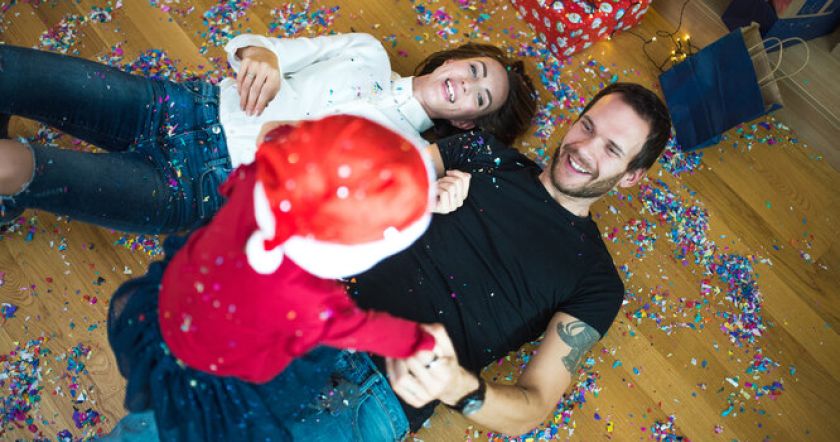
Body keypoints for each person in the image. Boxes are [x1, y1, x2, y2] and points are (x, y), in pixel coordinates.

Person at [110, 82, 671, 440]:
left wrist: (460, 388)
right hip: (305, 312)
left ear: (631, 176)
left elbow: (534, 406)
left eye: (611, 149)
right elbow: (344, 188)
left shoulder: (596, 280)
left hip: (380, 390)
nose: (584, 149)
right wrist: (420, 197)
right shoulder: (483, 153)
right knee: (154, 430)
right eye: (587, 126)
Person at [107, 115, 439, 441]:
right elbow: (365, 330)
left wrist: (289, 143)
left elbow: (274, 137)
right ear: (354, 253)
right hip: (211, 368)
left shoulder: (256, 181)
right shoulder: (311, 303)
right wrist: (420, 341)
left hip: (173, 305)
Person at [0, 33, 536, 233]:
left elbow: (324, 224)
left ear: (465, 122)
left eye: (479, 97)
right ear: (455, 59)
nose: (466, 84)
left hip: (198, 191)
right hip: (179, 105)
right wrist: (266, 58)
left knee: (12, 166)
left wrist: (430, 199)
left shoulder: (410, 163)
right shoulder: (368, 52)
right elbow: (254, 46)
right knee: (9, 71)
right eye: (474, 70)